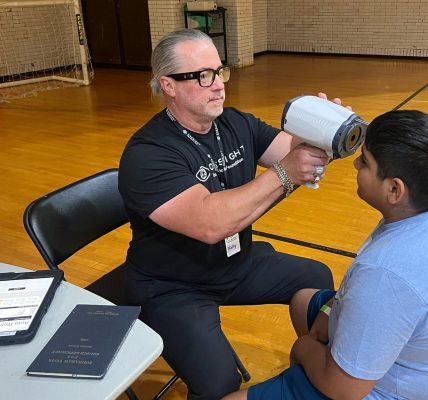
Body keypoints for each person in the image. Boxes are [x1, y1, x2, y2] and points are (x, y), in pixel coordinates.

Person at [118, 28, 337, 400]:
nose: (218, 85)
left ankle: (314, 371)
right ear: (168, 85)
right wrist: (287, 171)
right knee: (220, 385)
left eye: (219, 71)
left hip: (237, 263)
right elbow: (211, 224)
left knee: (316, 279)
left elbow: (291, 151)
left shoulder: (233, 123)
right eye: (203, 76)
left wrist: (326, 132)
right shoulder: (148, 154)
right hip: (173, 286)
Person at [223, 110, 428, 400]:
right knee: (303, 301)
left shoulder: (386, 274)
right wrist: (329, 311)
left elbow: (344, 389)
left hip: (379, 390)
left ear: (394, 189)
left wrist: (306, 349)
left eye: (365, 161)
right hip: (415, 357)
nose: (355, 164)